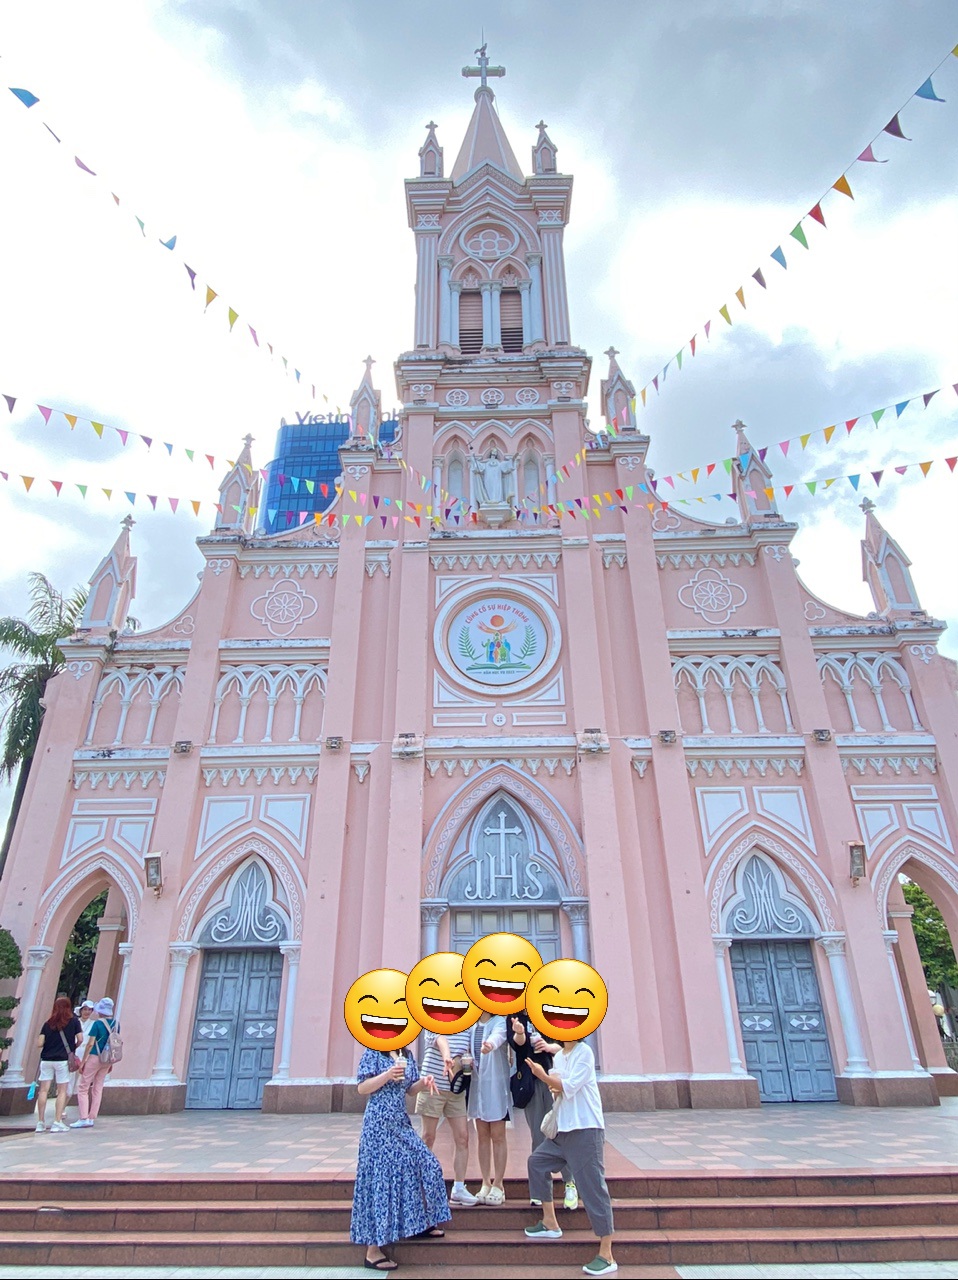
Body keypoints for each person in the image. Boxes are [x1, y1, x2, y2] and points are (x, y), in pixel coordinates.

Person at [350, 1046, 450, 1272]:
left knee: (427, 1164)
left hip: (400, 1123)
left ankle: (419, 1222)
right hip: (378, 1125)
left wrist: (423, 1082)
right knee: (380, 1181)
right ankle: (372, 1251)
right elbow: (362, 1087)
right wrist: (387, 1075)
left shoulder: (407, 1055)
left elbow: (409, 1089)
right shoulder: (374, 1053)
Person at [524, 1038, 617, 1277]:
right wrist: (552, 1083)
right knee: (536, 1163)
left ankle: (607, 1254)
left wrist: (542, 1076)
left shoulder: (584, 1052)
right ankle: (550, 1222)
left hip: (585, 1129)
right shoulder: (559, 1056)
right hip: (562, 1130)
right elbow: (558, 1089)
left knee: (593, 1188)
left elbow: (568, 1086)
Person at [508, 1012, 577, 1210]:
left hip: (555, 1078)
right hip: (531, 1083)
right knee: (539, 1136)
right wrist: (520, 1032)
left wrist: (549, 1047)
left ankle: (570, 1183)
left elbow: (566, 1045)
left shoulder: (549, 1010)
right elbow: (517, 1044)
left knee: (561, 1132)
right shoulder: (515, 1016)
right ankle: (540, 1190)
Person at [415, 1029, 479, 1205]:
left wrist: (466, 1061)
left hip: (456, 1089)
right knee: (428, 1136)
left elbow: (469, 1049)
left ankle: (459, 1187)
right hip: (432, 1085)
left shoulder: (468, 1024)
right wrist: (447, 1057)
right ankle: (420, 1187)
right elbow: (439, 1038)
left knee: (462, 1137)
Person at [468, 1011, 510, 1205]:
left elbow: (498, 1037)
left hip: (496, 1086)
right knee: (482, 1136)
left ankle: (498, 1184)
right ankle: (485, 1181)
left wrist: (489, 1045)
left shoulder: (499, 1021)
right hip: (477, 1085)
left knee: (498, 1135)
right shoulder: (472, 1025)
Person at [35, 996, 82, 1133]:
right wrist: (72, 1047)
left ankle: (40, 1122)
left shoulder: (48, 1023)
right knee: (62, 1091)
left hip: (46, 1059)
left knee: (43, 1090)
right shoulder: (74, 1021)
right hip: (62, 1060)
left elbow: (39, 1043)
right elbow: (80, 1039)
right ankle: (57, 1121)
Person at [70, 997, 118, 1129]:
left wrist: (83, 1062)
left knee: (83, 1087)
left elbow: (90, 1043)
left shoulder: (97, 1024)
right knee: (98, 1087)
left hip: (95, 1056)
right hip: (107, 1059)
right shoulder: (116, 1024)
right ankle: (92, 1117)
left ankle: (83, 1117)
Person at [68, 1001, 96, 1099]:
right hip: (74, 1051)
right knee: (70, 1078)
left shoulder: (93, 1024)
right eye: (85, 1009)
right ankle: (66, 1098)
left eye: (89, 1010)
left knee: (81, 1079)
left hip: (85, 1052)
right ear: (81, 1010)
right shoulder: (75, 1022)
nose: (87, 1012)